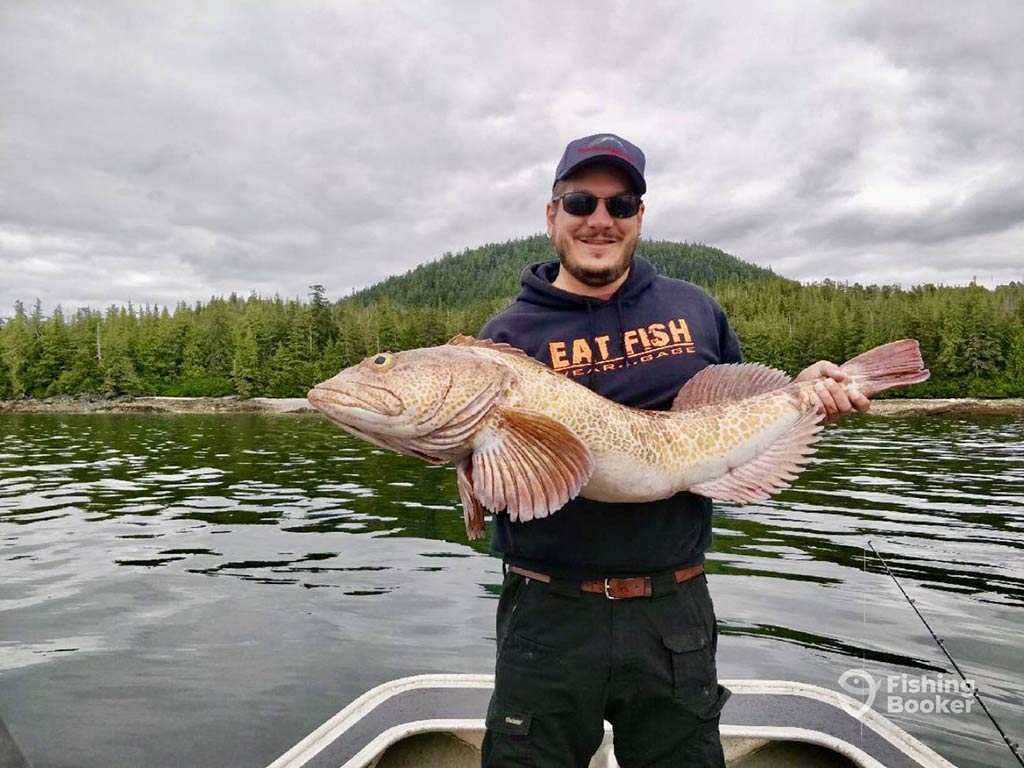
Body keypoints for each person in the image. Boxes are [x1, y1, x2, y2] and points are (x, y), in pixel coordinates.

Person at [477, 133, 869, 768]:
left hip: (673, 609)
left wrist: (809, 397)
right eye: (579, 202)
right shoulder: (505, 340)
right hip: (548, 611)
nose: (599, 219)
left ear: (639, 217)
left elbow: (744, 412)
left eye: (621, 204)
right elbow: (495, 473)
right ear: (552, 215)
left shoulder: (694, 309)